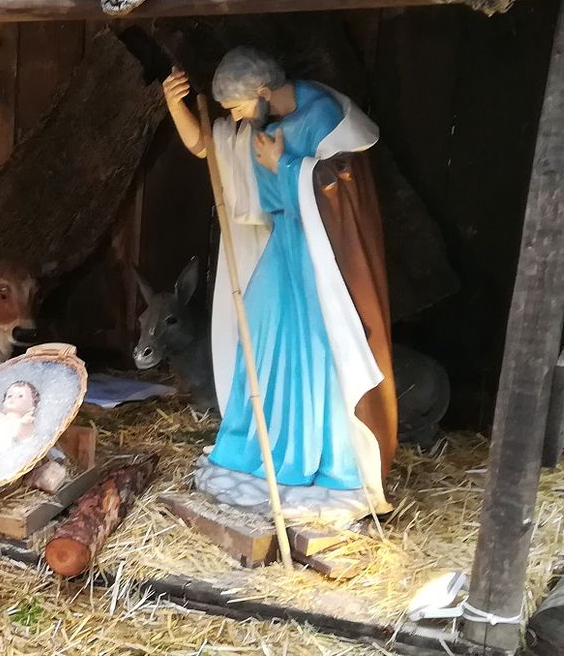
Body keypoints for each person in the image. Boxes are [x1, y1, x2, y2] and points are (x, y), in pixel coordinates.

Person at [161, 48, 397, 511]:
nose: (236, 119)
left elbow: (338, 188)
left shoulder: (324, 117)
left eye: (238, 108)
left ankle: (316, 456)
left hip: (318, 257)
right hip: (283, 244)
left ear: (263, 91)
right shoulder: (262, 122)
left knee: (313, 351)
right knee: (260, 332)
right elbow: (207, 147)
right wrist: (175, 106)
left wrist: (285, 165)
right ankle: (256, 447)